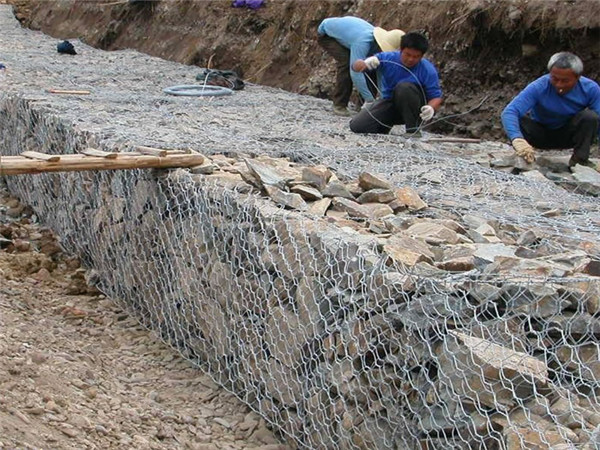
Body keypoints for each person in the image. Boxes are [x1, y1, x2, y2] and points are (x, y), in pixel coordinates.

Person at [501, 52, 600, 169]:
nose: (559, 85)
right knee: (515, 120)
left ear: (577, 78)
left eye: (565, 81)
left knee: (590, 117)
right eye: (555, 79)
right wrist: (517, 138)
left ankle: (580, 162)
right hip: (539, 134)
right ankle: (523, 158)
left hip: (568, 135)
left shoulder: (590, 89)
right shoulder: (539, 86)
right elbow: (510, 111)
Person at [349, 32, 442, 135]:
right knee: (357, 126)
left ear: (422, 56)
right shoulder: (388, 58)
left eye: (416, 56)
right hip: (390, 104)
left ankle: (413, 130)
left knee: (404, 87)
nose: (411, 59)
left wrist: (430, 108)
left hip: (413, 107)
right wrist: (365, 63)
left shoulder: (428, 70)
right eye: (407, 54)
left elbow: (436, 96)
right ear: (401, 50)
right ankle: (384, 127)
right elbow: (356, 67)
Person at [317, 16, 404, 116]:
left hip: (349, 35)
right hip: (327, 34)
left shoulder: (376, 45)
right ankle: (339, 104)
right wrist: (370, 99)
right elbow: (355, 72)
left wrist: (385, 98)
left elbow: (380, 72)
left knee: (371, 65)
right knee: (346, 63)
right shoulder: (363, 42)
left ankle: (362, 106)